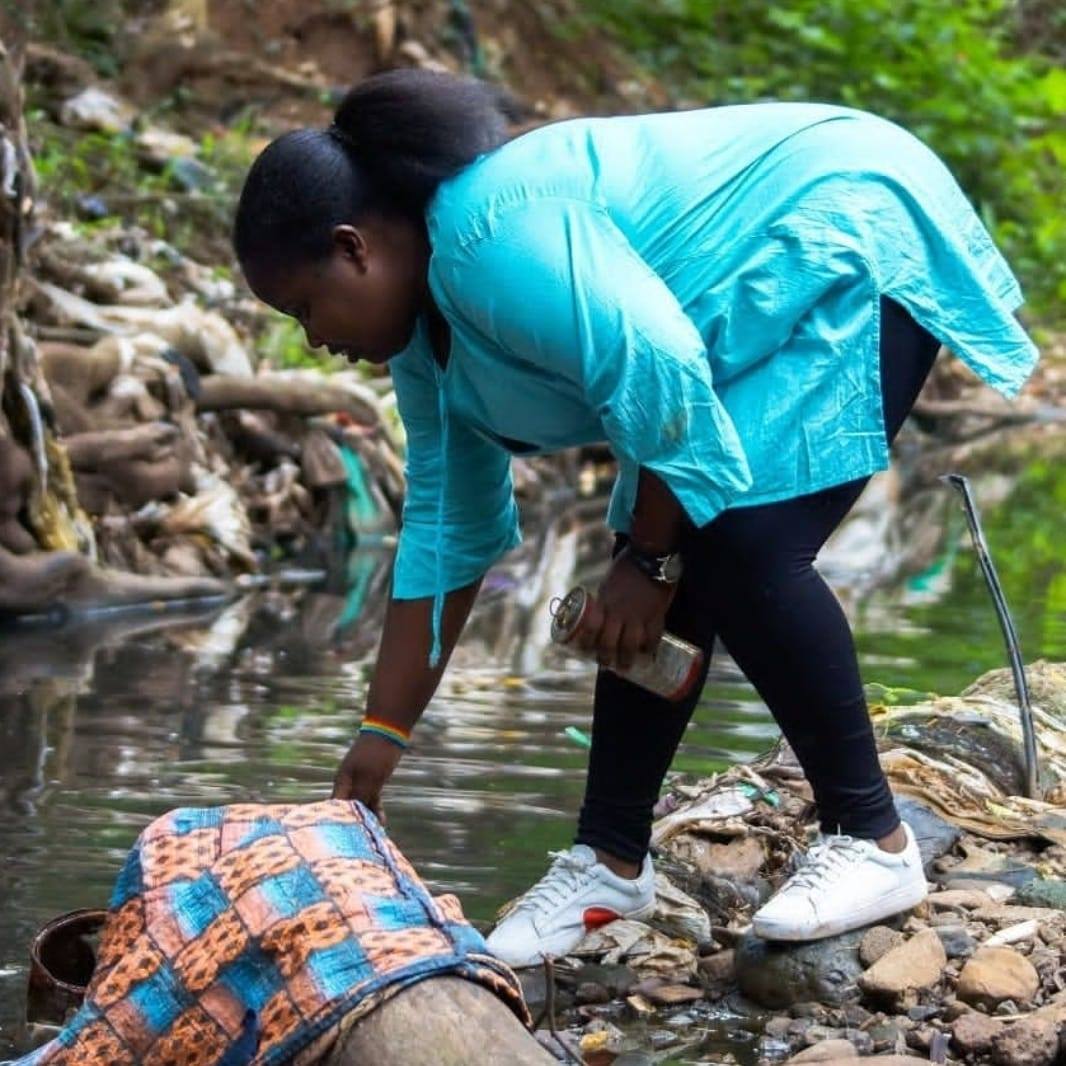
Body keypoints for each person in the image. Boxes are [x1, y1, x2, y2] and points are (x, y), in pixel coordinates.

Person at [233, 70, 1038, 966]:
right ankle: (611, 862)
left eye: (305, 308)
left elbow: (654, 361)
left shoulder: (487, 237)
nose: (312, 338)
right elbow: (444, 531)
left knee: (734, 544)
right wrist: (379, 740)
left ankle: (874, 840)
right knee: (671, 540)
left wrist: (651, 563)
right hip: (723, 322)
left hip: (839, 214)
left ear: (353, 250)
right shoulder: (424, 351)